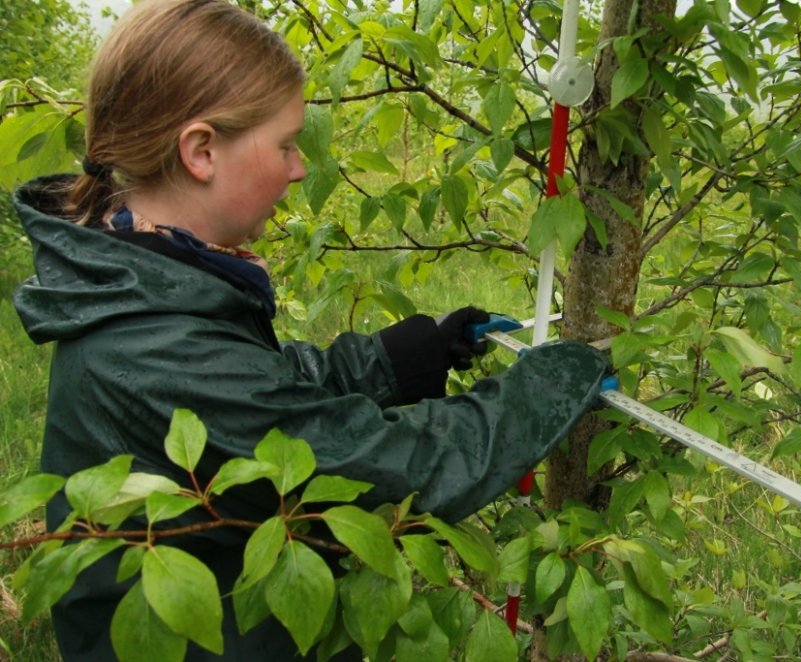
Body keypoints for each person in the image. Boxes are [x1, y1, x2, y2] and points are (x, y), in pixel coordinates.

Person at [11, 0, 611, 659]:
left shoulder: (141, 278)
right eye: (287, 144)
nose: (299, 169)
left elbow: (256, 397)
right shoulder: (154, 343)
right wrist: (544, 387)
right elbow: (377, 463)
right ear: (201, 150)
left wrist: (400, 357)